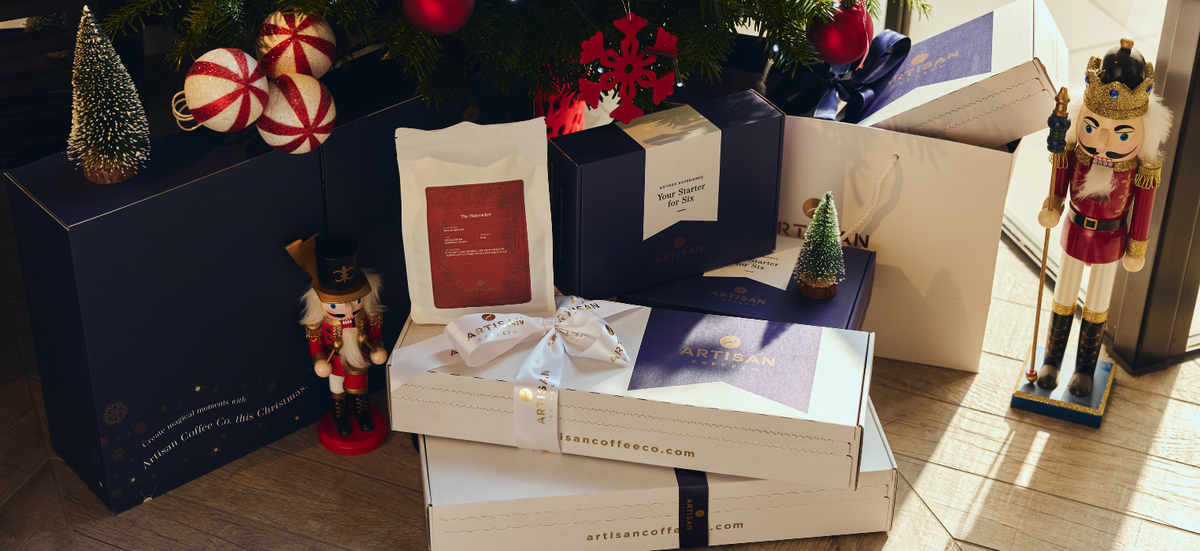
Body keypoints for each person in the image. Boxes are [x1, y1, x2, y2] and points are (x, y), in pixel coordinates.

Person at [1036, 38, 1172, 396]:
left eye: (1121, 132)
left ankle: (1084, 369)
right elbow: (1060, 176)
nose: (1103, 142)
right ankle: (1051, 361)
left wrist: (1137, 246)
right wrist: (1053, 204)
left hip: (1112, 238)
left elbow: (1142, 205)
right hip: (1076, 229)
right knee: (1063, 295)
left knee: (1097, 304)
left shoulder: (1140, 169)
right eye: (1093, 127)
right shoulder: (1075, 152)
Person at [288, 234, 387, 436]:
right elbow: (315, 343)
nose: (348, 311)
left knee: (362, 387)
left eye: (355, 300)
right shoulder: (318, 322)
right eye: (334, 304)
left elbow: (375, 332)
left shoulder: (368, 315)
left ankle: (362, 415)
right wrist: (319, 359)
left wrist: (378, 346)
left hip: (360, 358)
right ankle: (339, 418)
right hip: (334, 364)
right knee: (337, 390)